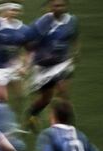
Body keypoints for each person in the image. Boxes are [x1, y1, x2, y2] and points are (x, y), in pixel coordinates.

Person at [25, 0, 79, 130]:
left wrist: (77, 52)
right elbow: (27, 42)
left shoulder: (71, 21)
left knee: (63, 92)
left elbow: (74, 37)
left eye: (62, 5)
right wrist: (34, 55)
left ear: (66, 6)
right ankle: (32, 113)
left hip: (62, 63)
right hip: (44, 66)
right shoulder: (41, 23)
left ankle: (67, 125)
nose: (59, 8)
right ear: (50, 7)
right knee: (46, 99)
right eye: (56, 5)